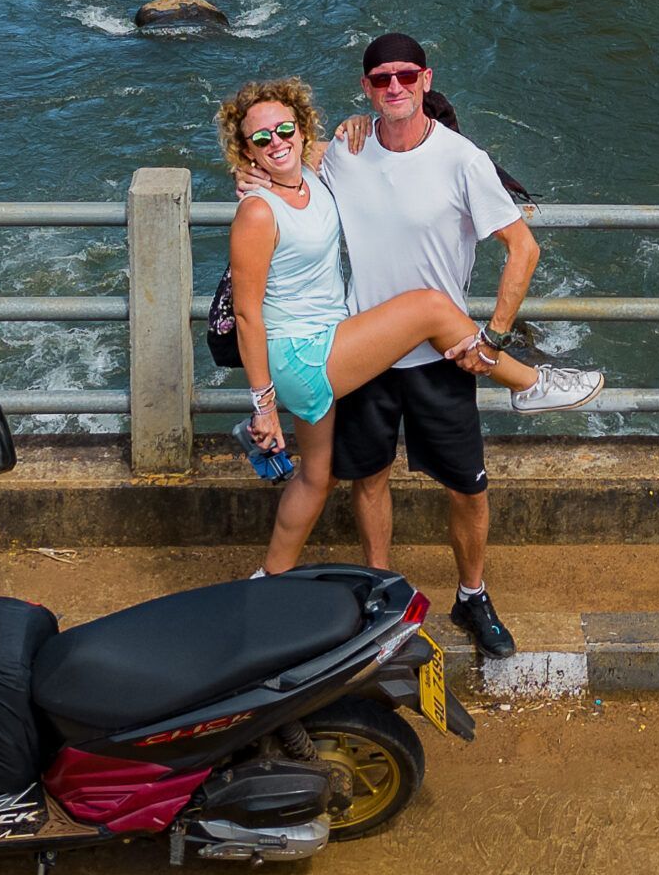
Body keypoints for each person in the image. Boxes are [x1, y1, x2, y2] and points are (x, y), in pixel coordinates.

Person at [220, 75, 571, 577]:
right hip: (303, 355)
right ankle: (530, 383)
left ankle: (268, 580)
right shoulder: (258, 210)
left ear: (301, 129)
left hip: (327, 342)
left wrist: (358, 124)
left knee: (316, 478)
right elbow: (247, 314)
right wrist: (264, 406)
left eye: (284, 129)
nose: (276, 141)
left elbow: (359, 152)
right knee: (430, 308)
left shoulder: (311, 174)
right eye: (260, 138)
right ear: (246, 150)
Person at [323, 31, 601, 657]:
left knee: (468, 489)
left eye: (406, 75)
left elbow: (523, 248)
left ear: (426, 80)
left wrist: (493, 338)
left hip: (445, 356)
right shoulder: (344, 150)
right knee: (368, 480)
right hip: (367, 350)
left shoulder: (463, 160)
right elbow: (277, 157)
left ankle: (472, 595)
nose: (394, 86)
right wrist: (252, 173)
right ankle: (380, 593)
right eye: (381, 79)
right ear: (365, 88)